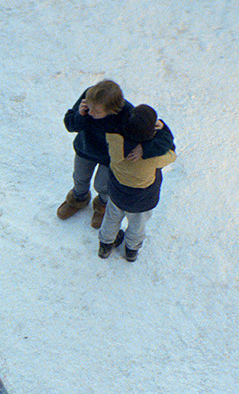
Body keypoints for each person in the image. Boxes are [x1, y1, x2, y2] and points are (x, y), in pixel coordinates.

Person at [59, 79, 176, 228]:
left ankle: (102, 206)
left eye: (97, 111)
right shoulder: (90, 98)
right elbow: (70, 125)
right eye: (90, 108)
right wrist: (80, 115)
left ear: (112, 110)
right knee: (80, 177)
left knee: (102, 185)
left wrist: (144, 148)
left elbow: (160, 139)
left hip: (110, 159)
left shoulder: (128, 114)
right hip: (85, 148)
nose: (91, 113)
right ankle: (78, 199)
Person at [98, 104, 177, 262]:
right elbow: (172, 153)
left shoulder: (114, 141)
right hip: (142, 200)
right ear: (151, 132)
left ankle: (105, 245)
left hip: (117, 193)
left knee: (111, 218)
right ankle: (131, 250)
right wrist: (162, 131)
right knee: (137, 225)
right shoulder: (153, 157)